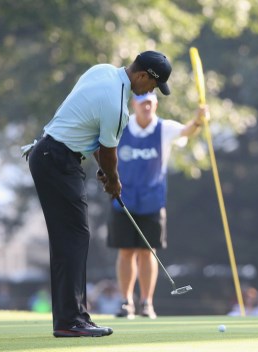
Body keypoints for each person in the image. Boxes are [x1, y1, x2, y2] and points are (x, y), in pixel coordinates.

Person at [24, 50, 172, 337]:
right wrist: (113, 181)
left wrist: (104, 172)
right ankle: (71, 321)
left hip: (48, 153)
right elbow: (108, 152)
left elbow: (85, 123)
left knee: (70, 239)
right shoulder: (119, 107)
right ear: (143, 76)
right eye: (152, 86)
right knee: (74, 238)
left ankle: (72, 318)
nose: (150, 92)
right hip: (58, 162)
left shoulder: (102, 70)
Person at [108, 91, 207, 319]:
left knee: (147, 251)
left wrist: (199, 120)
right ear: (134, 104)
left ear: (156, 104)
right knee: (126, 251)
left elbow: (187, 131)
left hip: (152, 200)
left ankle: (146, 303)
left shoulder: (164, 127)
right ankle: (126, 302)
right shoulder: (122, 127)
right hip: (123, 199)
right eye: (142, 104)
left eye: (150, 103)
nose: (146, 108)